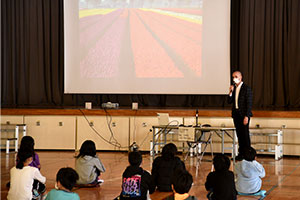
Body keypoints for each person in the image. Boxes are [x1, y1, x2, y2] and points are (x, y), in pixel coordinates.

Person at [228, 71, 253, 160]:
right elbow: (229, 101)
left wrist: (247, 116)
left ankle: (248, 154)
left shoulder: (246, 88)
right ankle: (241, 153)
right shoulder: (234, 88)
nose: (234, 78)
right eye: (233, 77)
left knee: (245, 135)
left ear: (240, 77)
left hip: (243, 115)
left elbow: (249, 103)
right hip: (236, 115)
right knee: (239, 135)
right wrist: (230, 92)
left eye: (236, 76)